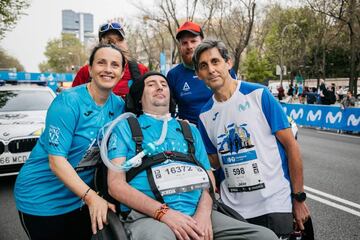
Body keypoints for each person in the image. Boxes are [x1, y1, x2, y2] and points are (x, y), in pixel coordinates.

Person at [106, 71, 278, 240]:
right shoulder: (126, 128)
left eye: (164, 85)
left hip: (198, 213)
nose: (159, 87)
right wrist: (164, 213)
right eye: (151, 85)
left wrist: (203, 214)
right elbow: (115, 185)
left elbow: (208, 179)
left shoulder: (190, 130)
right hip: (148, 216)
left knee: (264, 236)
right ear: (138, 97)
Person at [193, 40, 310, 238]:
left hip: (274, 202)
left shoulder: (258, 94)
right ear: (199, 74)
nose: (211, 69)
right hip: (234, 210)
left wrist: (298, 198)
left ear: (228, 63)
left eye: (215, 61)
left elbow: (292, 147)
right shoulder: (204, 115)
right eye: (204, 66)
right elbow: (213, 163)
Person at [14, 44, 126, 240]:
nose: (108, 69)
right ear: (90, 69)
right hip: (41, 198)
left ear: (122, 72)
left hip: (79, 199)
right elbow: (56, 161)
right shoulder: (68, 102)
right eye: (101, 63)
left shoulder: (119, 106)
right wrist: (92, 198)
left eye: (115, 65)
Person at [167, 21, 236, 125]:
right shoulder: (173, 75)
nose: (189, 46)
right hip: (192, 136)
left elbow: (235, 99)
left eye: (193, 41)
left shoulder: (223, 69)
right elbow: (169, 111)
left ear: (202, 42)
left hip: (224, 129)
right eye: (184, 43)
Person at [72, 21, 148, 98]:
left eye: (119, 39)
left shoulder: (141, 70)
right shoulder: (85, 71)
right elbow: (73, 99)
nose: (115, 44)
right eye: (109, 41)